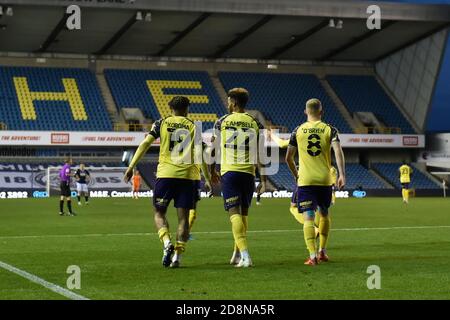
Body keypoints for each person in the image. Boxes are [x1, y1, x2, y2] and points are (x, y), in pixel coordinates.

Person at [124, 96, 211, 268]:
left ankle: (166, 243)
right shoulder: (194, 126)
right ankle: (177, 257)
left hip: (165, 175)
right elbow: (201, 155)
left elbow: (144, 144)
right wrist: (207, 179)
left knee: (159, 213)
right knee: (184, 219)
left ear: (170, 108)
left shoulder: (161, 123)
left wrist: (131, 166)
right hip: (187, 177)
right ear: (187, 109)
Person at [210, 88, 267, 268]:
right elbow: (260, 154)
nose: (227, 103)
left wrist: (212, 170)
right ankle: (236, 254)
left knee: (234, 214)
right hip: (248, 174)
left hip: (231, 173)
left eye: (228, 100)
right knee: (243, 214)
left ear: (233, 102)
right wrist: (263, 181)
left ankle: (246, 255)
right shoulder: (256, 123)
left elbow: (213, 149)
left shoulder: (222, 122)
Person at [285, 98, 345, 266]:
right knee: (324, 213)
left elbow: (288, 158)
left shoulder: (297, 130)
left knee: (309, 218)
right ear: (321, 112)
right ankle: (323, 252)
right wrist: (341, 175)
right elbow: (338, 152)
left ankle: (312, 256)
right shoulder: (330, 130)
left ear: (305, 112)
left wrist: (296, 174)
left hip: (306, 180)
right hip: (325, 180)